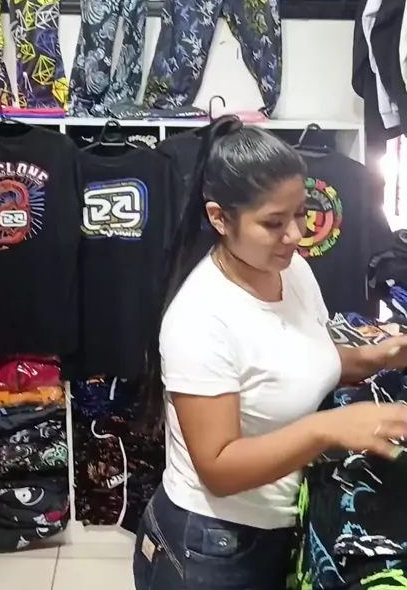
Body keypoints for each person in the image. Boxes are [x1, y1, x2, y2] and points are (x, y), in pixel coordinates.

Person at [133, 116, 407, 590]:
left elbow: (300, 361)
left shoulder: (291, 271)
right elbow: (218, 468)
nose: (296, 235)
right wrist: (328, 428)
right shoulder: (200, 319)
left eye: (301, 213)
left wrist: (383, 356)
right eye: (274, 223)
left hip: (274, 529)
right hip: (211, 549)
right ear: (220, 218)